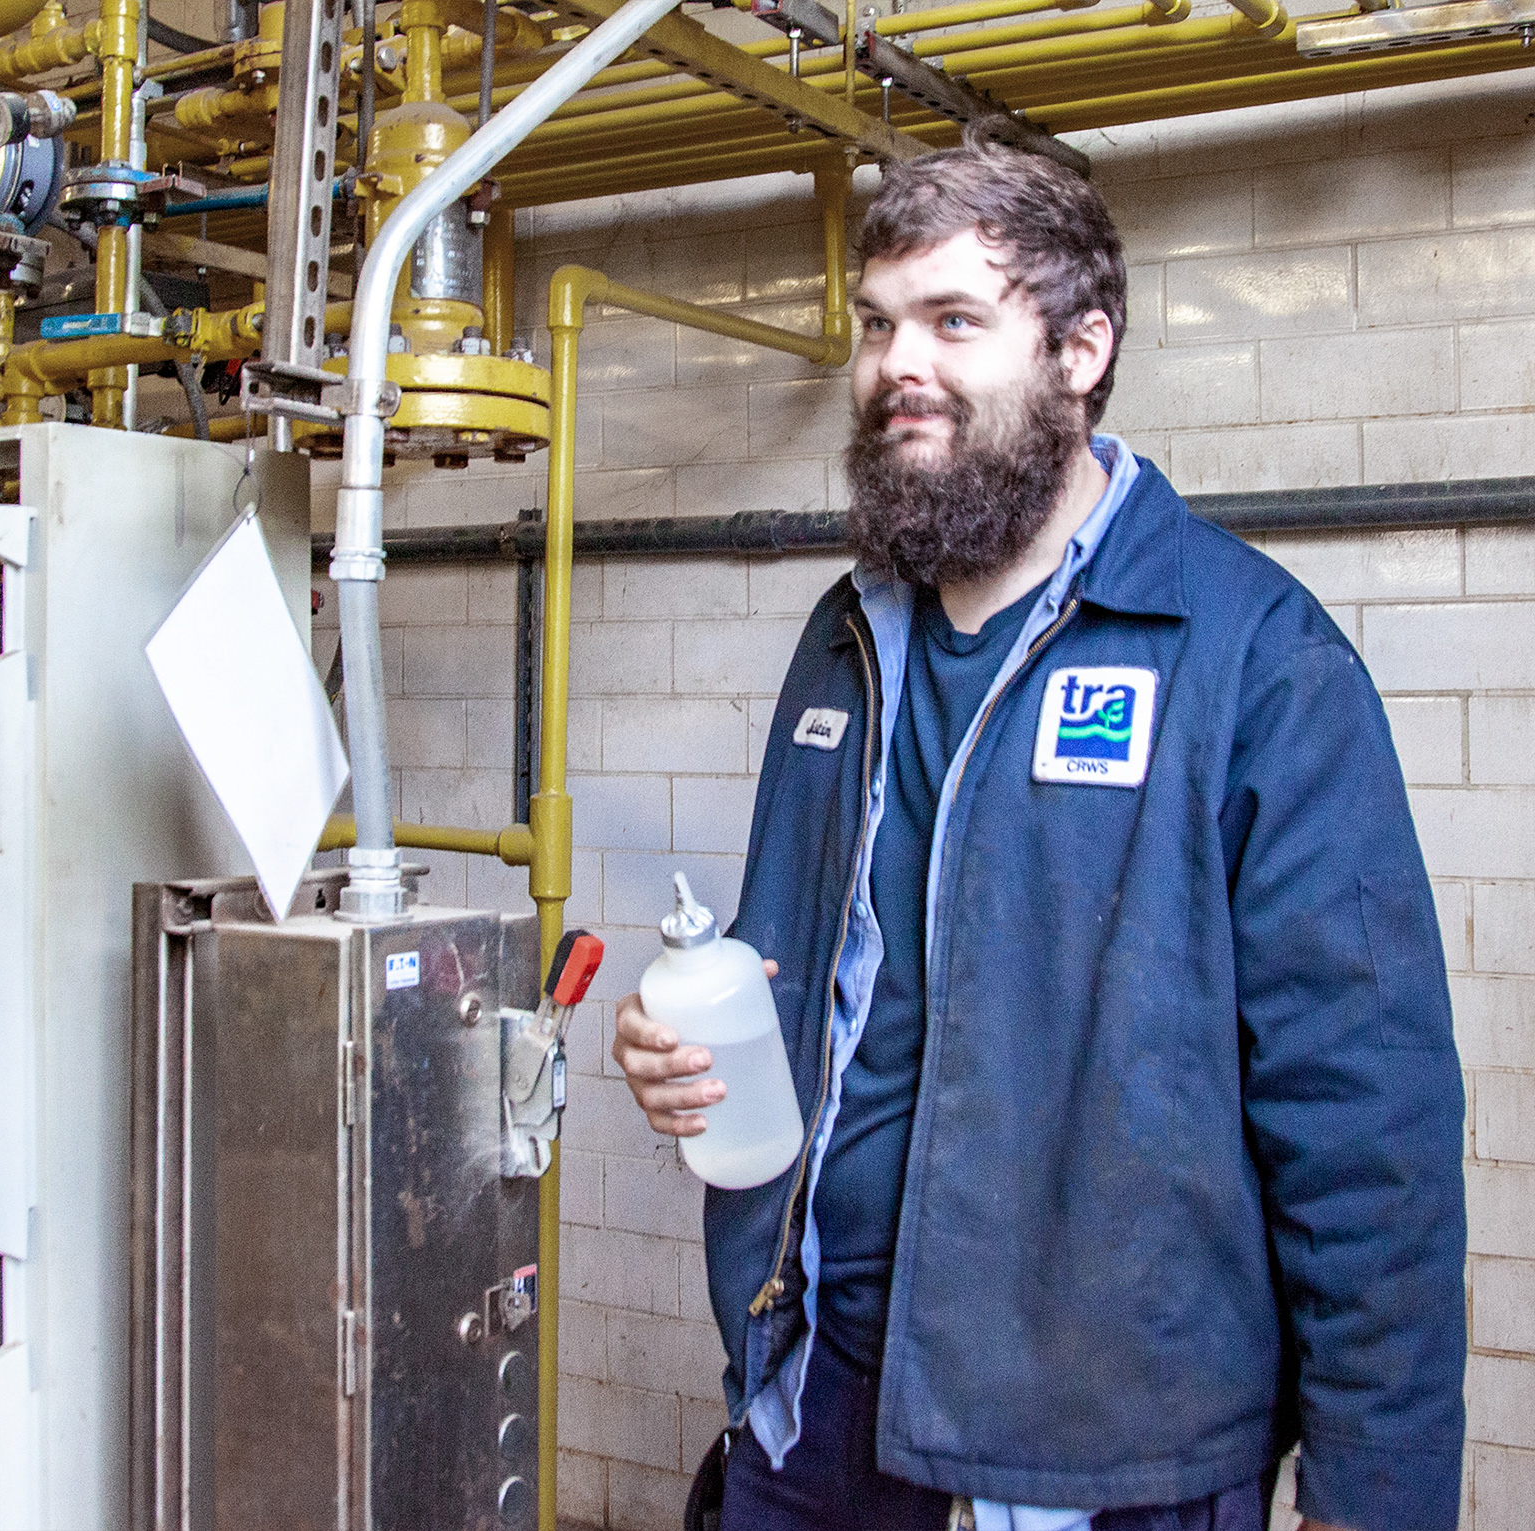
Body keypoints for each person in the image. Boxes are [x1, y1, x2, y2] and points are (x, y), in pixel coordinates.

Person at [611, 144, 1467, 1531]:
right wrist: (684, 1048)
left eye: (954, 320)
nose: (899, 363)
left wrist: (1376, 1497)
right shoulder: (846, 642)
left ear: (1081, 351)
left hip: (1104, 1454)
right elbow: (789, 985)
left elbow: (1366, 1124)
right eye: (877, 323)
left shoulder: (1250, 659)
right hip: (817, 1399)